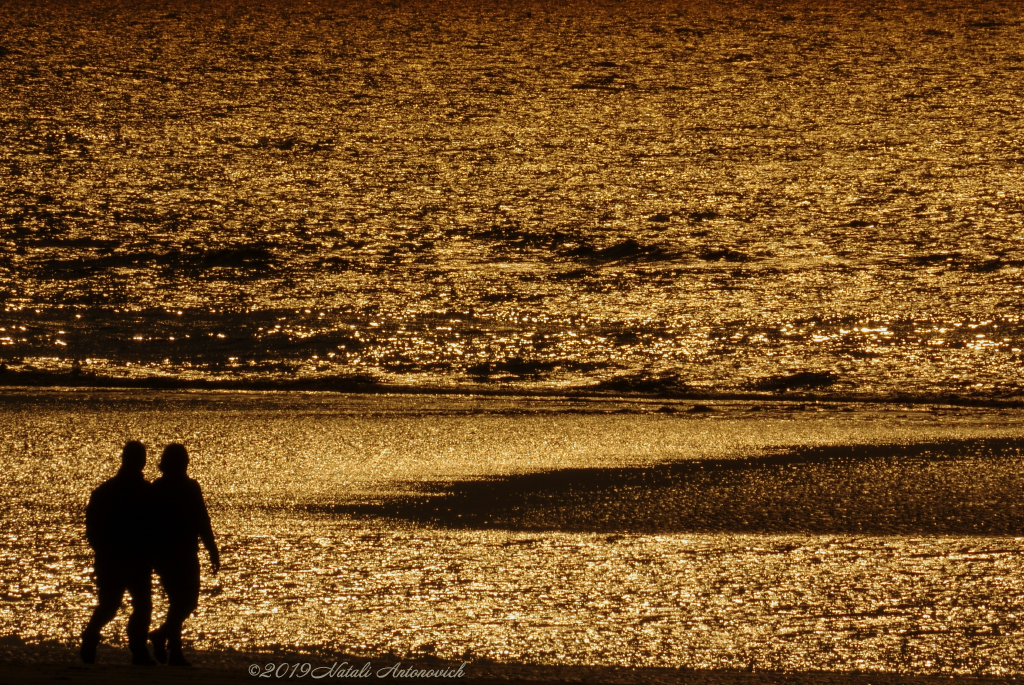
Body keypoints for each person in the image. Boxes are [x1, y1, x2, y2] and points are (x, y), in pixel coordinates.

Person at [81, 440, 155, 666]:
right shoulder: (145, 493)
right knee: (136, 605)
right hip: (129, 557)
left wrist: (103, 550)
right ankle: (137, 649)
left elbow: (92, 529)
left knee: (115, 605)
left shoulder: (106, 491)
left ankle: (99, 638)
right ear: (141, 462)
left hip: (119, 557)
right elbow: (155, 527)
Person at [149, 443, 220, 667]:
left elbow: (201, 520)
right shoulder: (182, 488)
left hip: (173, 554)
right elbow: (201, 520)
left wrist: (211, 548)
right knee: (184, 602)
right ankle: (170, 646)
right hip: (176, 554)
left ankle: (166, 640)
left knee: (183, 602)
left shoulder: (165, 487)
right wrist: (212, 549)